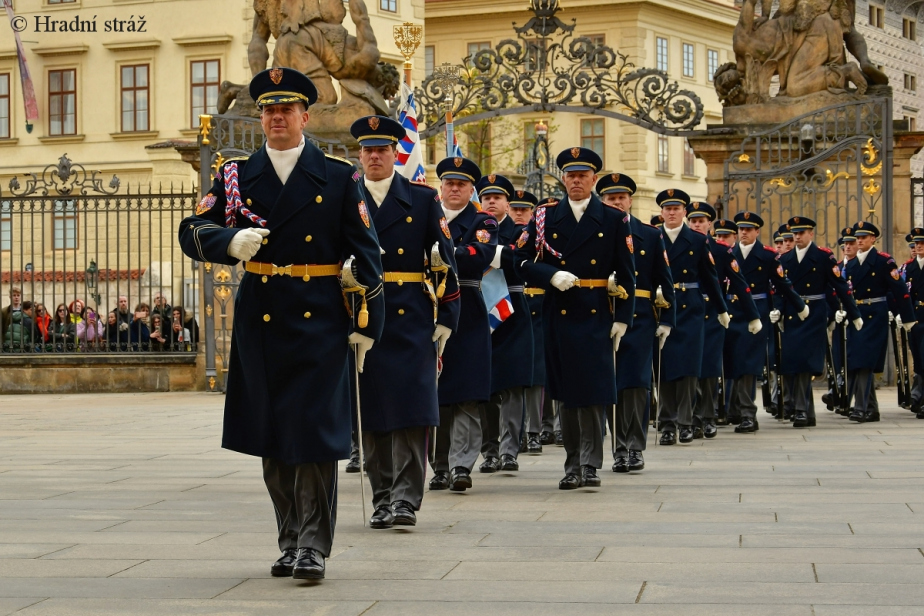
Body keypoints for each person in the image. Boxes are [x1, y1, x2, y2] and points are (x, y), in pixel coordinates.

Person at [177, 67, 384, 580]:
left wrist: (367, 322)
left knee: (311, 437)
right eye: (268, 109)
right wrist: (228, 242)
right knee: (272, 437)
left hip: (320, 320)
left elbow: (368, 254)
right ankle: (289, 537)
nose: (276, 118)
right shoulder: (235, 175)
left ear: (304, 117)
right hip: (262, 320)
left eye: (286, 109)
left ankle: (313, 545)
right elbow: (191, 229)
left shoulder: (339, 176)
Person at [348, 115, 459, 528]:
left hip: (412, 315)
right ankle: (381, 498)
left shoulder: (423, 198)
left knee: (413, 411)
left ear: (396, 154)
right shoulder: (348, 194)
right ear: (359, 155)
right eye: (368, 150)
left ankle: (406, 501)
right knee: (373, 412)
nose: (375, 156)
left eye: (383, 150)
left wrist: (447, 314)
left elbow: (444, 257)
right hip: (363, 315)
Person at [514, 147, 636, 489]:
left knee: (593, 393)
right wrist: (549, 275)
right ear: (563, 180)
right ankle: (572, 465)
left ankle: (591, 463)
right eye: (570, 175)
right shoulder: (545, 216)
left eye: (583, 175)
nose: (576, 181)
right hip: (560, 311)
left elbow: (627, 273)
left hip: (597, 312)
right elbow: (520, 260)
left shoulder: (613, 219)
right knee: (566, 394)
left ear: (594, 180)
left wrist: (623, 317)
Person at [597, 173, 674, 473]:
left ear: (631, 200)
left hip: (640, 318)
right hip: (604, 316)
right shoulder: (597, 233)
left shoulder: (651, 235)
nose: (616, 203)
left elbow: (663, 281)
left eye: (621, 198)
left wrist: (666, 319)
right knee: (611, 385)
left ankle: (635, 446)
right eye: (610, 199)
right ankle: (618, 448)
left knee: (637, 385)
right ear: (603, 201)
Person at [428, 156, 496, 493]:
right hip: (428, 309)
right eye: (449, 184)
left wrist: (441, 253)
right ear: (441, 187)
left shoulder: (481, 220)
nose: (454, 189)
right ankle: (438, 467)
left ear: (472, 190)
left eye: (461, 185)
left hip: (467, 312)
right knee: (435, 395)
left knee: (466, 395)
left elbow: (479, 256)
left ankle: (461, 465)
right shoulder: (428, 214)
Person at [656, 189, 727, 445]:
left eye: (677, 209)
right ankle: (666, 423)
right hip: (662, 306)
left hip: (691, 308)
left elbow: (710, 278)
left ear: (684, 212)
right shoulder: (655, 237)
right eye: (667, 208)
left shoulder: (697, 241)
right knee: (664, 368)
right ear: (662, 212)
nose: (672, 212)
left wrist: (721, 309)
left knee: (688, 369)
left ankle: (685, 422)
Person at [725, 211, 804, 431]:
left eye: (748, 230)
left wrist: (800, 306)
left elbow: (783, 284)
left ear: (757, 232)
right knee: (732, 361)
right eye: (741, 229)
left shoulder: (768, 256)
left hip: (756, 314)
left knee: (749, 364)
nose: (744, 233)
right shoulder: (729, 253)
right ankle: (733, 410)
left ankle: (748, 414)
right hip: (732, 311)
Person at [476, 174, 534, 474]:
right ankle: (489, 451)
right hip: (479, 312)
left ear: (507, 204)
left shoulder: (521, 232)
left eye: (497, 198)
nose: (491, 202)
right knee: (486, 386)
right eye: (486, 197)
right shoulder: (472, 229)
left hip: (513, 313)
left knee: (512, 386)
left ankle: (510, 450)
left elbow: (522, 262)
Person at [777, 216, 858, 427]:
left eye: (801, 233)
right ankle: (802, 410)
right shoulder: (785, 260)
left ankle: (802, 410)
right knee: (793, 362)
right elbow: (779, 288)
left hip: (814, 314)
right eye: (795, 233)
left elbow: (840, 286)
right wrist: (777, 310)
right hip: (792, 315)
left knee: (805, 362)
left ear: (811, 234)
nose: (797, 237)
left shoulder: (823, 257)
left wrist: (853, 312)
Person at [687, 210, 759, 436]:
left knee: (708, 367)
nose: (697, 225)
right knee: (689, 368)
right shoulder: (678, 246)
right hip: (687, 312)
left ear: (710, 224)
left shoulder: (720, 250)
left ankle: (707, 416)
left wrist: (753, 315)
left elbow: (739, 283)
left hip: (712, 313)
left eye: (701, 221)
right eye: (693, 221)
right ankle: (690, 417)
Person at [841, 221, 915, 422]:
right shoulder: (852, 264)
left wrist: (906, 317)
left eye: (864, 237)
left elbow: (900, 290)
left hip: (875, 314)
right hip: (857, 315)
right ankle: (871, 409)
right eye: (858, 238)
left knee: (865, 361)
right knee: (856, 361)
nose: (859, 241)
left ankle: (860, 408)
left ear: (873, 239)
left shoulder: (884, 261)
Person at [903, 227, 924, 419]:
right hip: (915, 316)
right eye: (916, 244)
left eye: (922, 244)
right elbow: (904, 293)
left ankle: (921, 399)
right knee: (918, 358)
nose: (918, 247)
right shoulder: (908, 268)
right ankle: (919, 398)